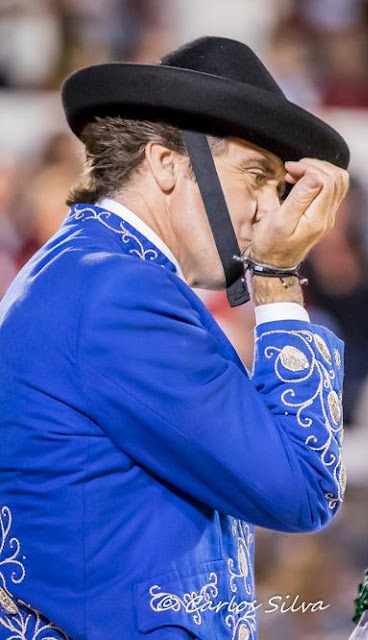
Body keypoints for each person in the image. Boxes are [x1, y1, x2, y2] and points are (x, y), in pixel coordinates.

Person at [0, 37, 349, 639]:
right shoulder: (120, 292)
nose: (269, 213)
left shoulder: (94, 270)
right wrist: (276, 277)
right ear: (165, 163)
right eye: (257, 177)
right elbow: (303, 488)